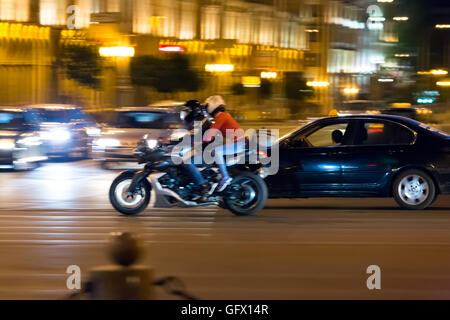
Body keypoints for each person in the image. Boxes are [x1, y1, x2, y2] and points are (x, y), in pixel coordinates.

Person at [203, 95, 246, 192]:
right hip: (238, 143)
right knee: (217, 151)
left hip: (239, 144)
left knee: (216, 151)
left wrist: (198, 141)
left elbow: (210, 134)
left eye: (207, 107)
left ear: (212, 106)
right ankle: (220, 174)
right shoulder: (223, 116)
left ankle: (225, 177)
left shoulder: (221, 117)